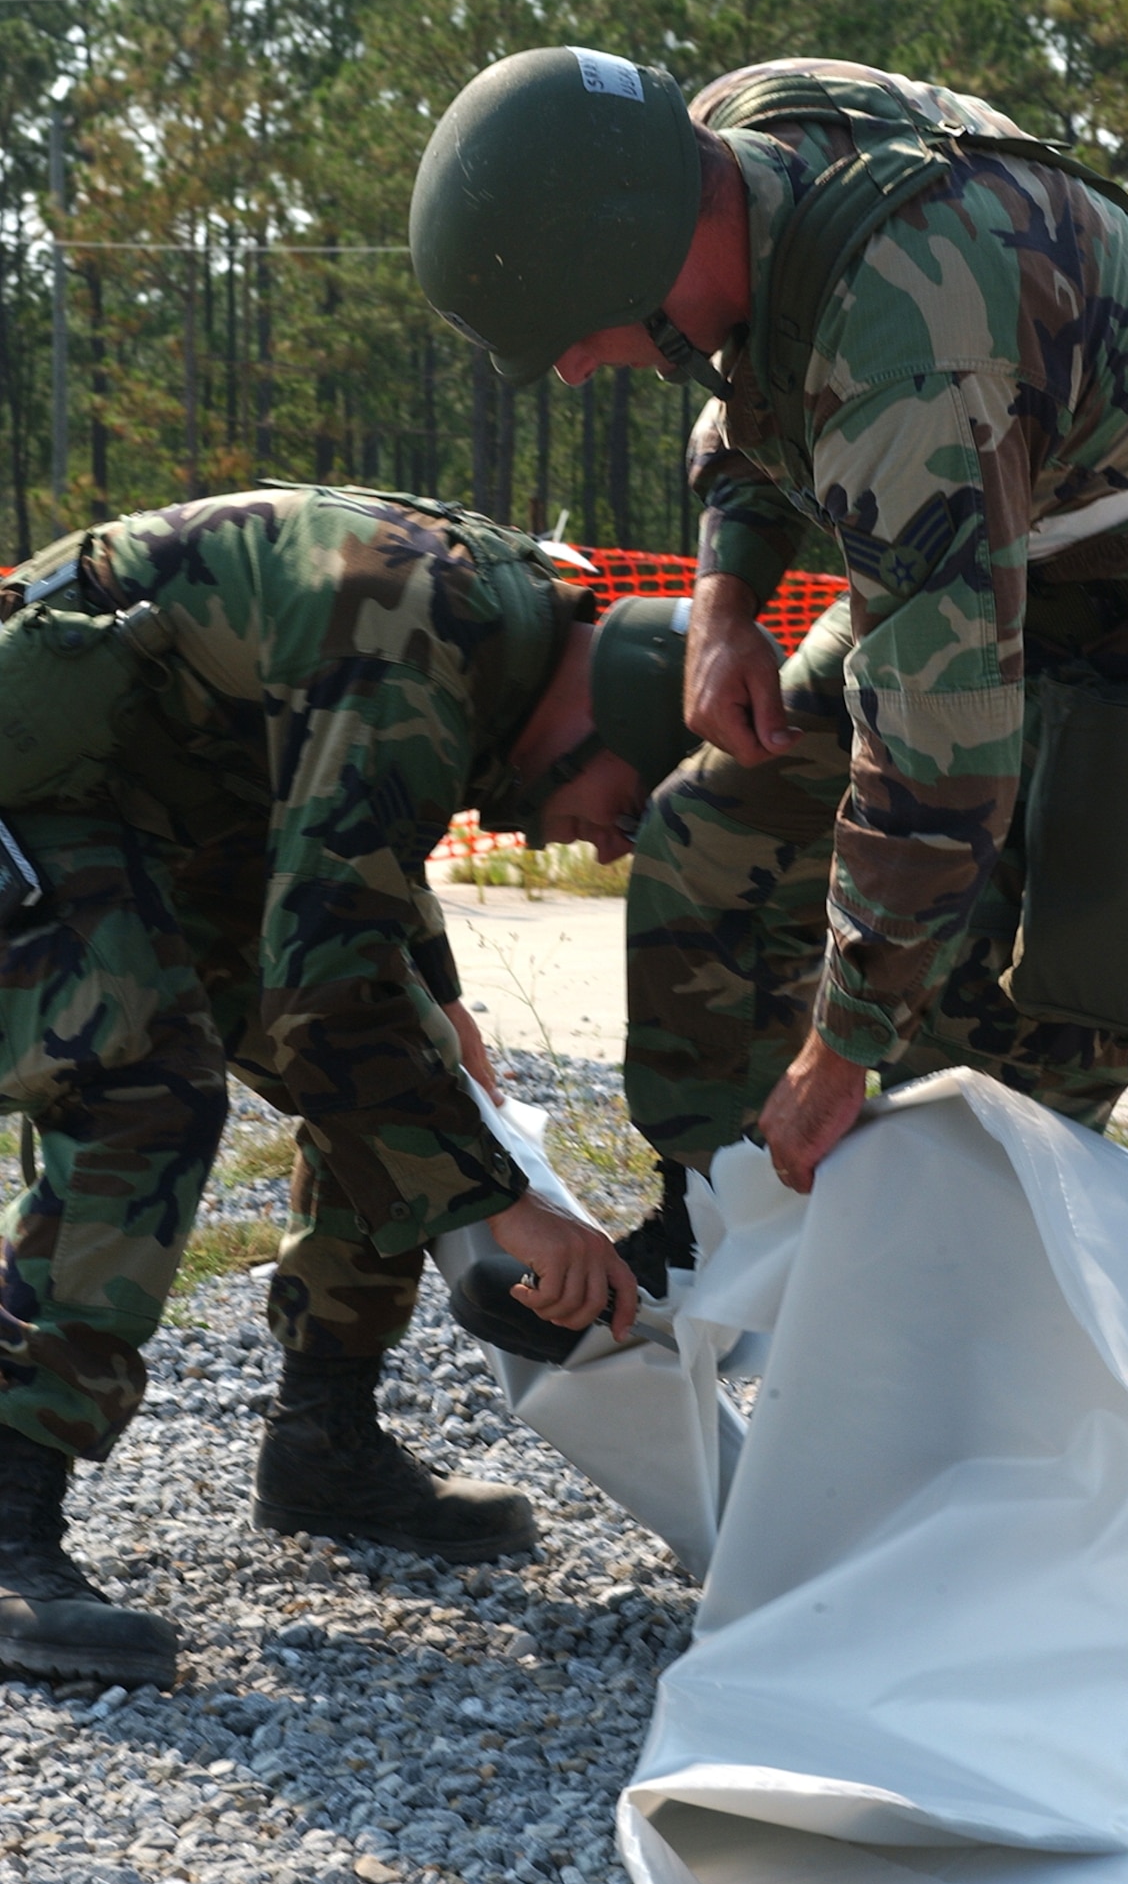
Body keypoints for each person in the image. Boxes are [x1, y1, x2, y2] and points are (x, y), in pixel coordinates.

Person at [409, 48, 1128, 1254]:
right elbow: (749, 385)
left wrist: (842, 1045)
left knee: (1014, 1040)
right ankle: (722, 1235)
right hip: (977, 537)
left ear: (641, 264)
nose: (577, 365)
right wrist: (729, 597)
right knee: (709, 836)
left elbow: (940, 771)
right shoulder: (738, 143)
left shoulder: (908, 356)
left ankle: (972, 1340)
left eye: (576, 333)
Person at [0, 484, 678, 1692]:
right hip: (38, 786)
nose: (613, 844)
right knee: (145, 1078)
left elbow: (353, 847)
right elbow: (325, 990)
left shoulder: (492, 635)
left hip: (163, 800)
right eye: (628, 805)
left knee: (412, 1060)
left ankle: (324, 1440)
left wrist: (443, 1003)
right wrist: (502, 1205)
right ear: (599, 715)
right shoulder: (427, 621)